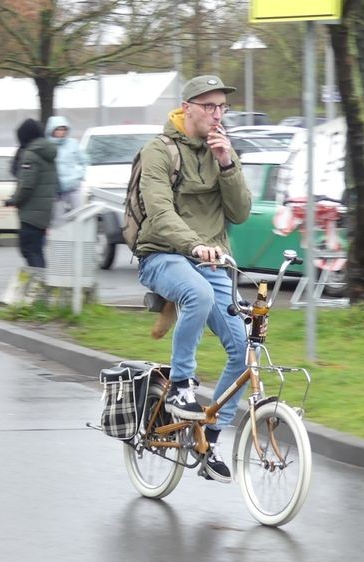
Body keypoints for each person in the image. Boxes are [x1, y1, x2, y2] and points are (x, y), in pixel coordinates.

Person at [134, 75, 252, 483]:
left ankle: (210, 443)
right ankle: (182, 384)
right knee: (197, 294)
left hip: (213, 259)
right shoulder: (159, 151)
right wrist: (193, 245)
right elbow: (160, 213)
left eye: (222, 108)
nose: (217, 115)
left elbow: (239, 213)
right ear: (187, 108)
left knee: (242, 352)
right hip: (163, 255)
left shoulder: (221, 150)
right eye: (209, 107)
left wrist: (228, 164)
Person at [3, 118, 58, 269]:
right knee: (36, 249)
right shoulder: (46, 152)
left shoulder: (30, 155)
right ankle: (42, 282)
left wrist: (14, 200)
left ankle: (41, 285)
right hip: (42, 210)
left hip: (31, 212)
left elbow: (27, 185)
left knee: (29, 249)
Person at [46, 115, 88, 212]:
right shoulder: (47, 145)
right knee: (58, 219)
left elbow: (83, 161)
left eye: (63, 129)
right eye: (58, 129)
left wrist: (79, 175)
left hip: (73, 186)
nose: (61, 132)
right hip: (56, 188)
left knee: (79, 214)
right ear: (51, 130)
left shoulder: (73, 143)